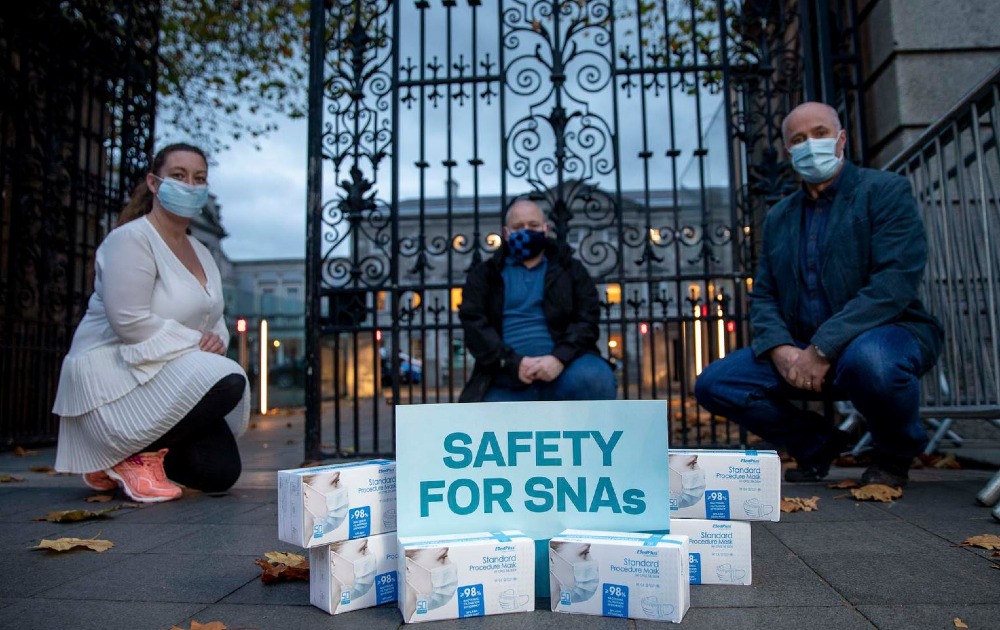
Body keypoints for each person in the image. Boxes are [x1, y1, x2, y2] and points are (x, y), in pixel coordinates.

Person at [694, 102, 943, 487]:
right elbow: (763, 296)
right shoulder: (779, 217)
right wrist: (782, 350)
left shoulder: (884, 192)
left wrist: (822, 348)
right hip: (800, 346)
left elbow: (893, 283)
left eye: (820, 134)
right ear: (789, 152)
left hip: (884, 332)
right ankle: (817, 444)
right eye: (798, 139)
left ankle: (893, 455)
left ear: (841, 139)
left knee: (873, 361)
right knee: (716, 383)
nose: (810, 145)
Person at [52, 143, 249, 502]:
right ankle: (127, 454)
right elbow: (129, 322)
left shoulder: (203, 252)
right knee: (228, 381)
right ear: (154, 183)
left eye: (199, 178)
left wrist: (216, 341)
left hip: (168, 372)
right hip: (115, 375)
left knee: (219, 473)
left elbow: (213, 315)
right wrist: (197, 345)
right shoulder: (130, 240)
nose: (190, 185)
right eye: (178, 175)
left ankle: (116, 461)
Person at [458, 197, 616, 403]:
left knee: (596, 380)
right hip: (504, 373)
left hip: (566, 368)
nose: (526, 231)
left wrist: (558, 358)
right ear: (506, 233)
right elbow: (474, 325)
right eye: (518, 227)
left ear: (545, 229)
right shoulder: (484, 275)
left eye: (532, 225)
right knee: (485, 419)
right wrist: (513, 363)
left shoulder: (570, 269)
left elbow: (587, 319)